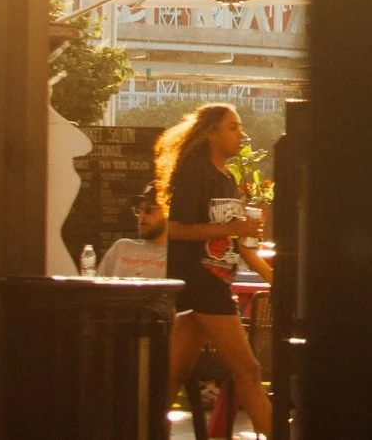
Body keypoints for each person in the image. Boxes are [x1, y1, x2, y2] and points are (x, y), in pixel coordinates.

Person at [158, 104, 274, 438]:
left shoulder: (228, 180)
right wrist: (233, 228)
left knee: (173, 373)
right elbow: (176, 228)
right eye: (232, 128)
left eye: (241, 128)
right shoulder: (196, 173)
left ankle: (141, 428)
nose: (241, 135)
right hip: (200, 280)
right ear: (211, 132)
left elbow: (240, 243)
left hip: (215, 280)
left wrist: (271, 277)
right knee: (248, 370)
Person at [98, 187, 168, 279]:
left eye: (149, 210)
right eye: (140, 209)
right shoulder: (122, 247)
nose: (142, 216)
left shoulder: (174, 257)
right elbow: (97, 287)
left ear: (167, 213)